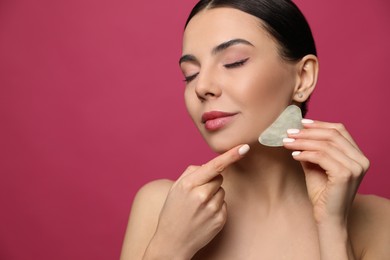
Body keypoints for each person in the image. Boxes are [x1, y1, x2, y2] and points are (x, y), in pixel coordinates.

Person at [120, 0, 390, 259]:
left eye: (234, 62)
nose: (202, 87)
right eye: (191, 74)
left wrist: (332, 226)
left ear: (303, 77)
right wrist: (169, 248)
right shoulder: (160, 206)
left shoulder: (379, 222)